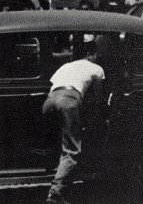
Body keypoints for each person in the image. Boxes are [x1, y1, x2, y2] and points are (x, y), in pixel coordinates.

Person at [43, 36, 105, 204]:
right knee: (72, 150)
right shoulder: (97, 68)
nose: (98, 58)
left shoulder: (65, 66)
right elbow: (97, 100)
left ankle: (60, 184)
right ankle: (55, 193)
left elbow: (53, 85)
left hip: (49, 102)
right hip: (69, 100)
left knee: (61, 145)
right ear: (90, 54)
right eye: (96, 54)